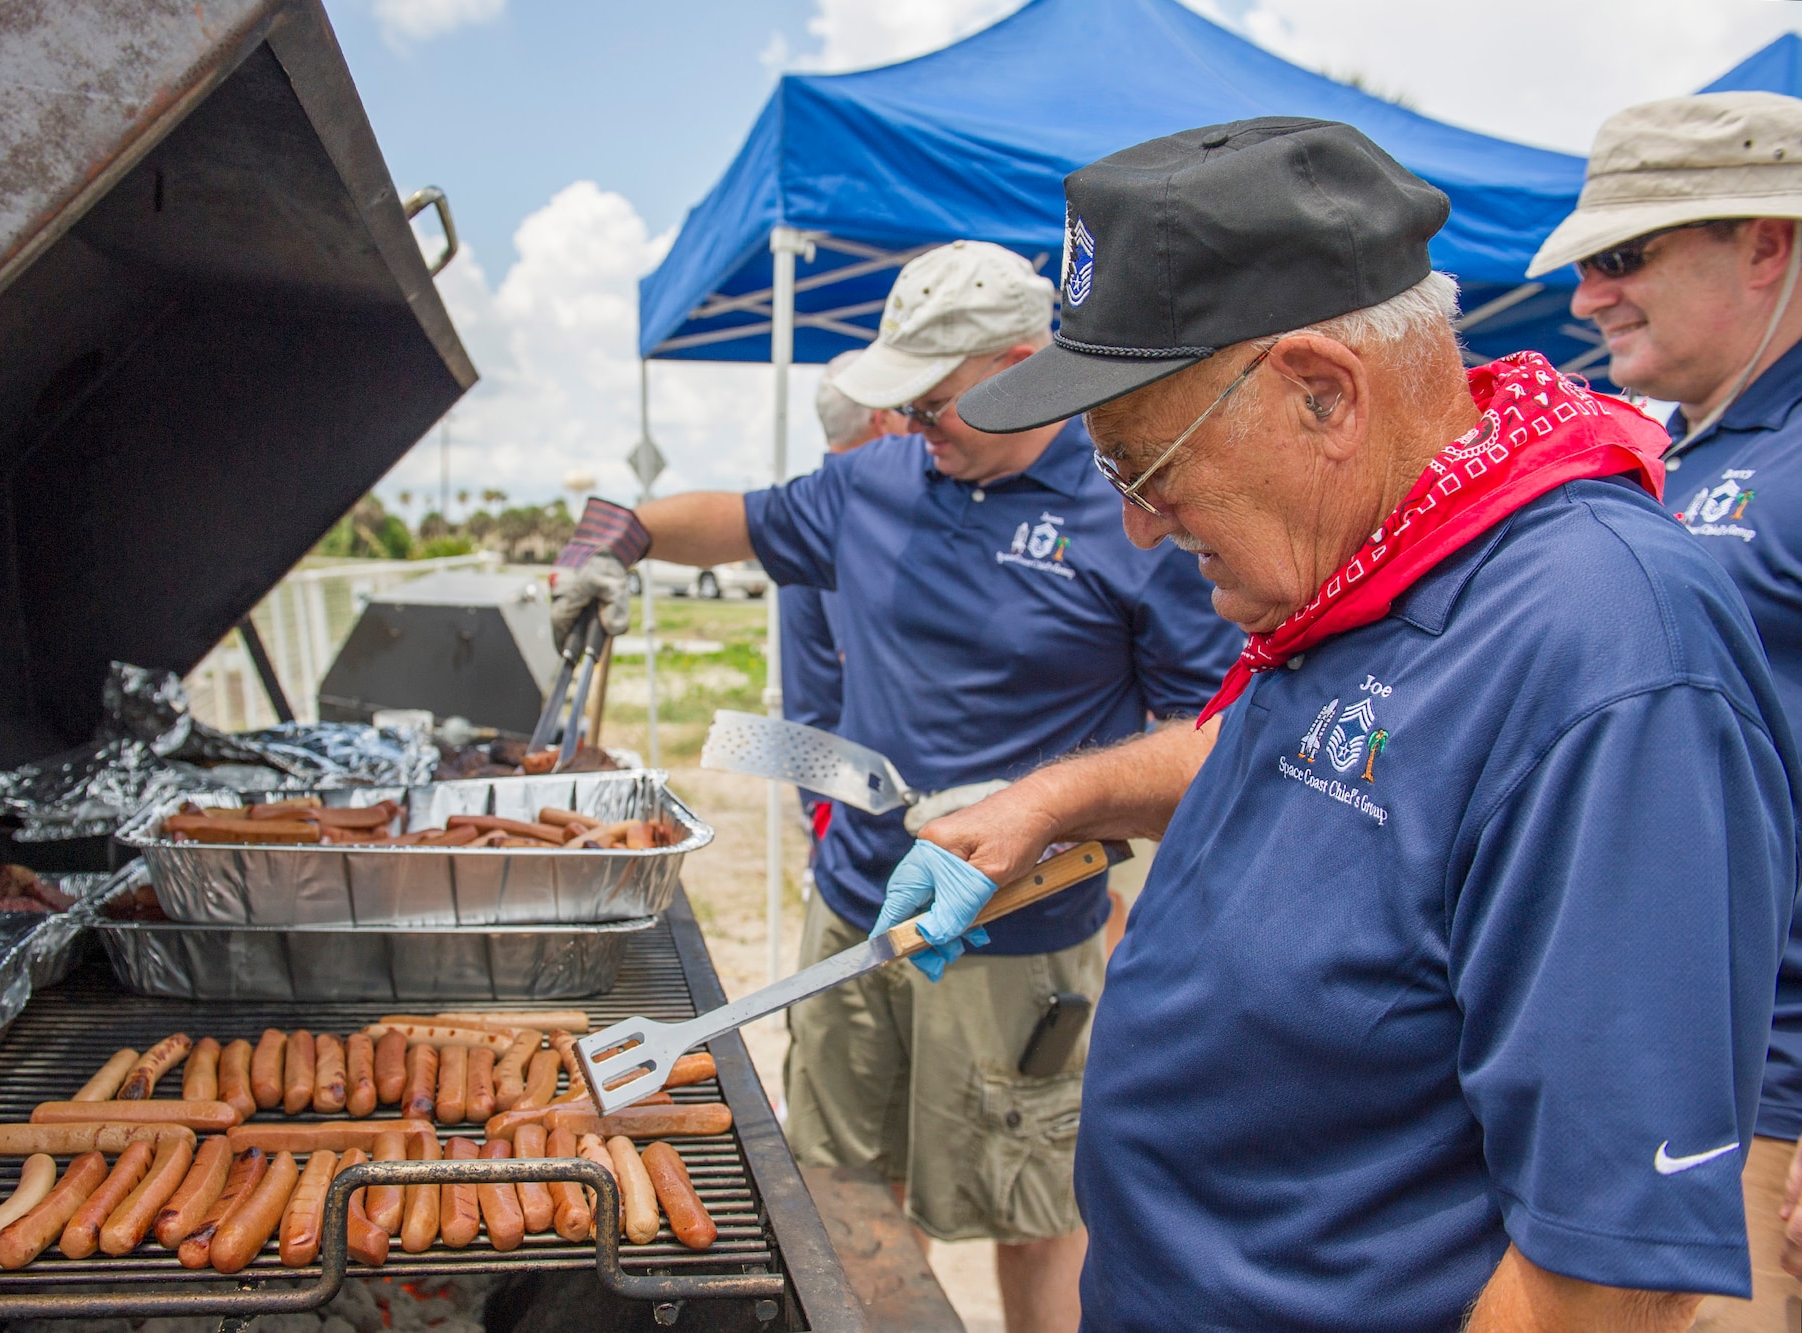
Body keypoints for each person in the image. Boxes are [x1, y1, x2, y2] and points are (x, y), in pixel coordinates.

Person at [876, 118, 1801, 1332]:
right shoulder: (1385, 544)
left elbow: (1608, 1272)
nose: (1141, 530)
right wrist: (1048, 799)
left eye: (1145, 472)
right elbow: (1300, 750)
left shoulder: (1607, 651)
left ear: (1323, 394)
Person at [550, 240, 1238, 1333]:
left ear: (1024, 365)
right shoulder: (873, 480)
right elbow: (735, 517)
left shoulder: (1133, 514)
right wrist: (623, 532)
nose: (915, 428)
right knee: (847, 1177)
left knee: (1033, 1201)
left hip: (1008, 930)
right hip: (853, 902)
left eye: (934, 406)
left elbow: (1203, 735)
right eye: (905, 409)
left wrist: (1040, 803)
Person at [1526, 92, 1802, 1329]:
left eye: (1622, 256)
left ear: (1764, 242)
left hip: (1765, 1105)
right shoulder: (1696, 446)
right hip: (1666, 1074)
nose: (1590, 296)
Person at [782, 353, 905, 838]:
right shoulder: (862, 517)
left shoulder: (809, 515)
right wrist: (829, 816)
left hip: (839, 797)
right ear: (882, 419)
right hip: (864, 811)